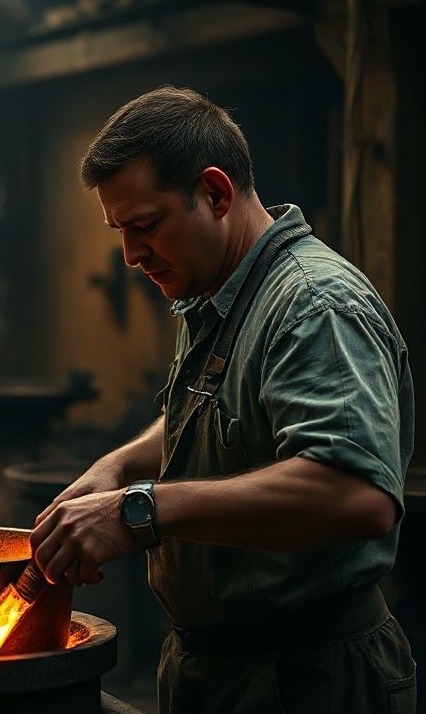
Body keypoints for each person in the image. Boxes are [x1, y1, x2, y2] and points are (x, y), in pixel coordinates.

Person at [30, 86, 416, 713]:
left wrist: (140, 510)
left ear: (215, 193)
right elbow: (211, 411)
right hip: (216, 667)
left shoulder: (314, 305)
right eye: (119, 232)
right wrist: (120, 467)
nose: (130, 256)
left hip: (305, 678)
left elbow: (356, 494)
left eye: (145, 226)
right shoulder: (214, 291)